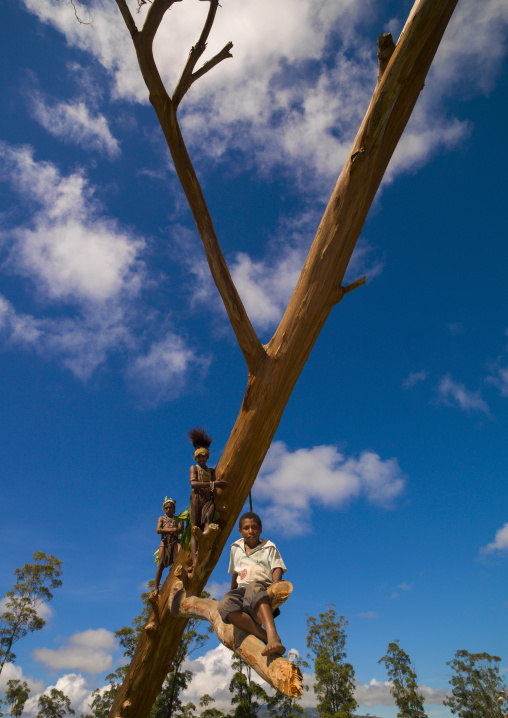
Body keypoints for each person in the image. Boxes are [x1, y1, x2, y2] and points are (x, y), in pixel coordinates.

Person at [218, 511, 286, 656]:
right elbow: (235, 572)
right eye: (246, 528)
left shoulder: (269, 546)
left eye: (254, 527)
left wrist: (275, 585)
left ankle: (273, 636)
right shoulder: (235, 547)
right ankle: (265, 637)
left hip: (261, 585)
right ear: (240, 531)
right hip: (242, 589)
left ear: (260, 529)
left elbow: (277, 567)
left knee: (254, 588)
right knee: (224, 604)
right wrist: (231, 591)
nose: (251, 531)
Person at [188, 427, 227, 570]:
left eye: (204, 456)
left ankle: (205, 556)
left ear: (207, 456)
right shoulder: (194, 468)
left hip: (208, 500)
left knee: (208, 524)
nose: (201, 459)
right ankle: (194, 561)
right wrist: (213, 484)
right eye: (199, 456)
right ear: (195, 457)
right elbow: (193, 484)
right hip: (197, 499)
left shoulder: (210, 471)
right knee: (195, 529)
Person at [153, 498, 183, 597]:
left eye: (170, 508)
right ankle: (156, 588)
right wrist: (172, 530)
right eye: (166, 508)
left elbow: (180, 530)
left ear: (174, 508)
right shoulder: (161, 518)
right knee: (160, 564)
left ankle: (175, 582)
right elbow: (158, 530)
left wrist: (179, 523)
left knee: (178, 561)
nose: (168, 510)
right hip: (165, 542)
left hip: (175, 542)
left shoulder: (178, 518)